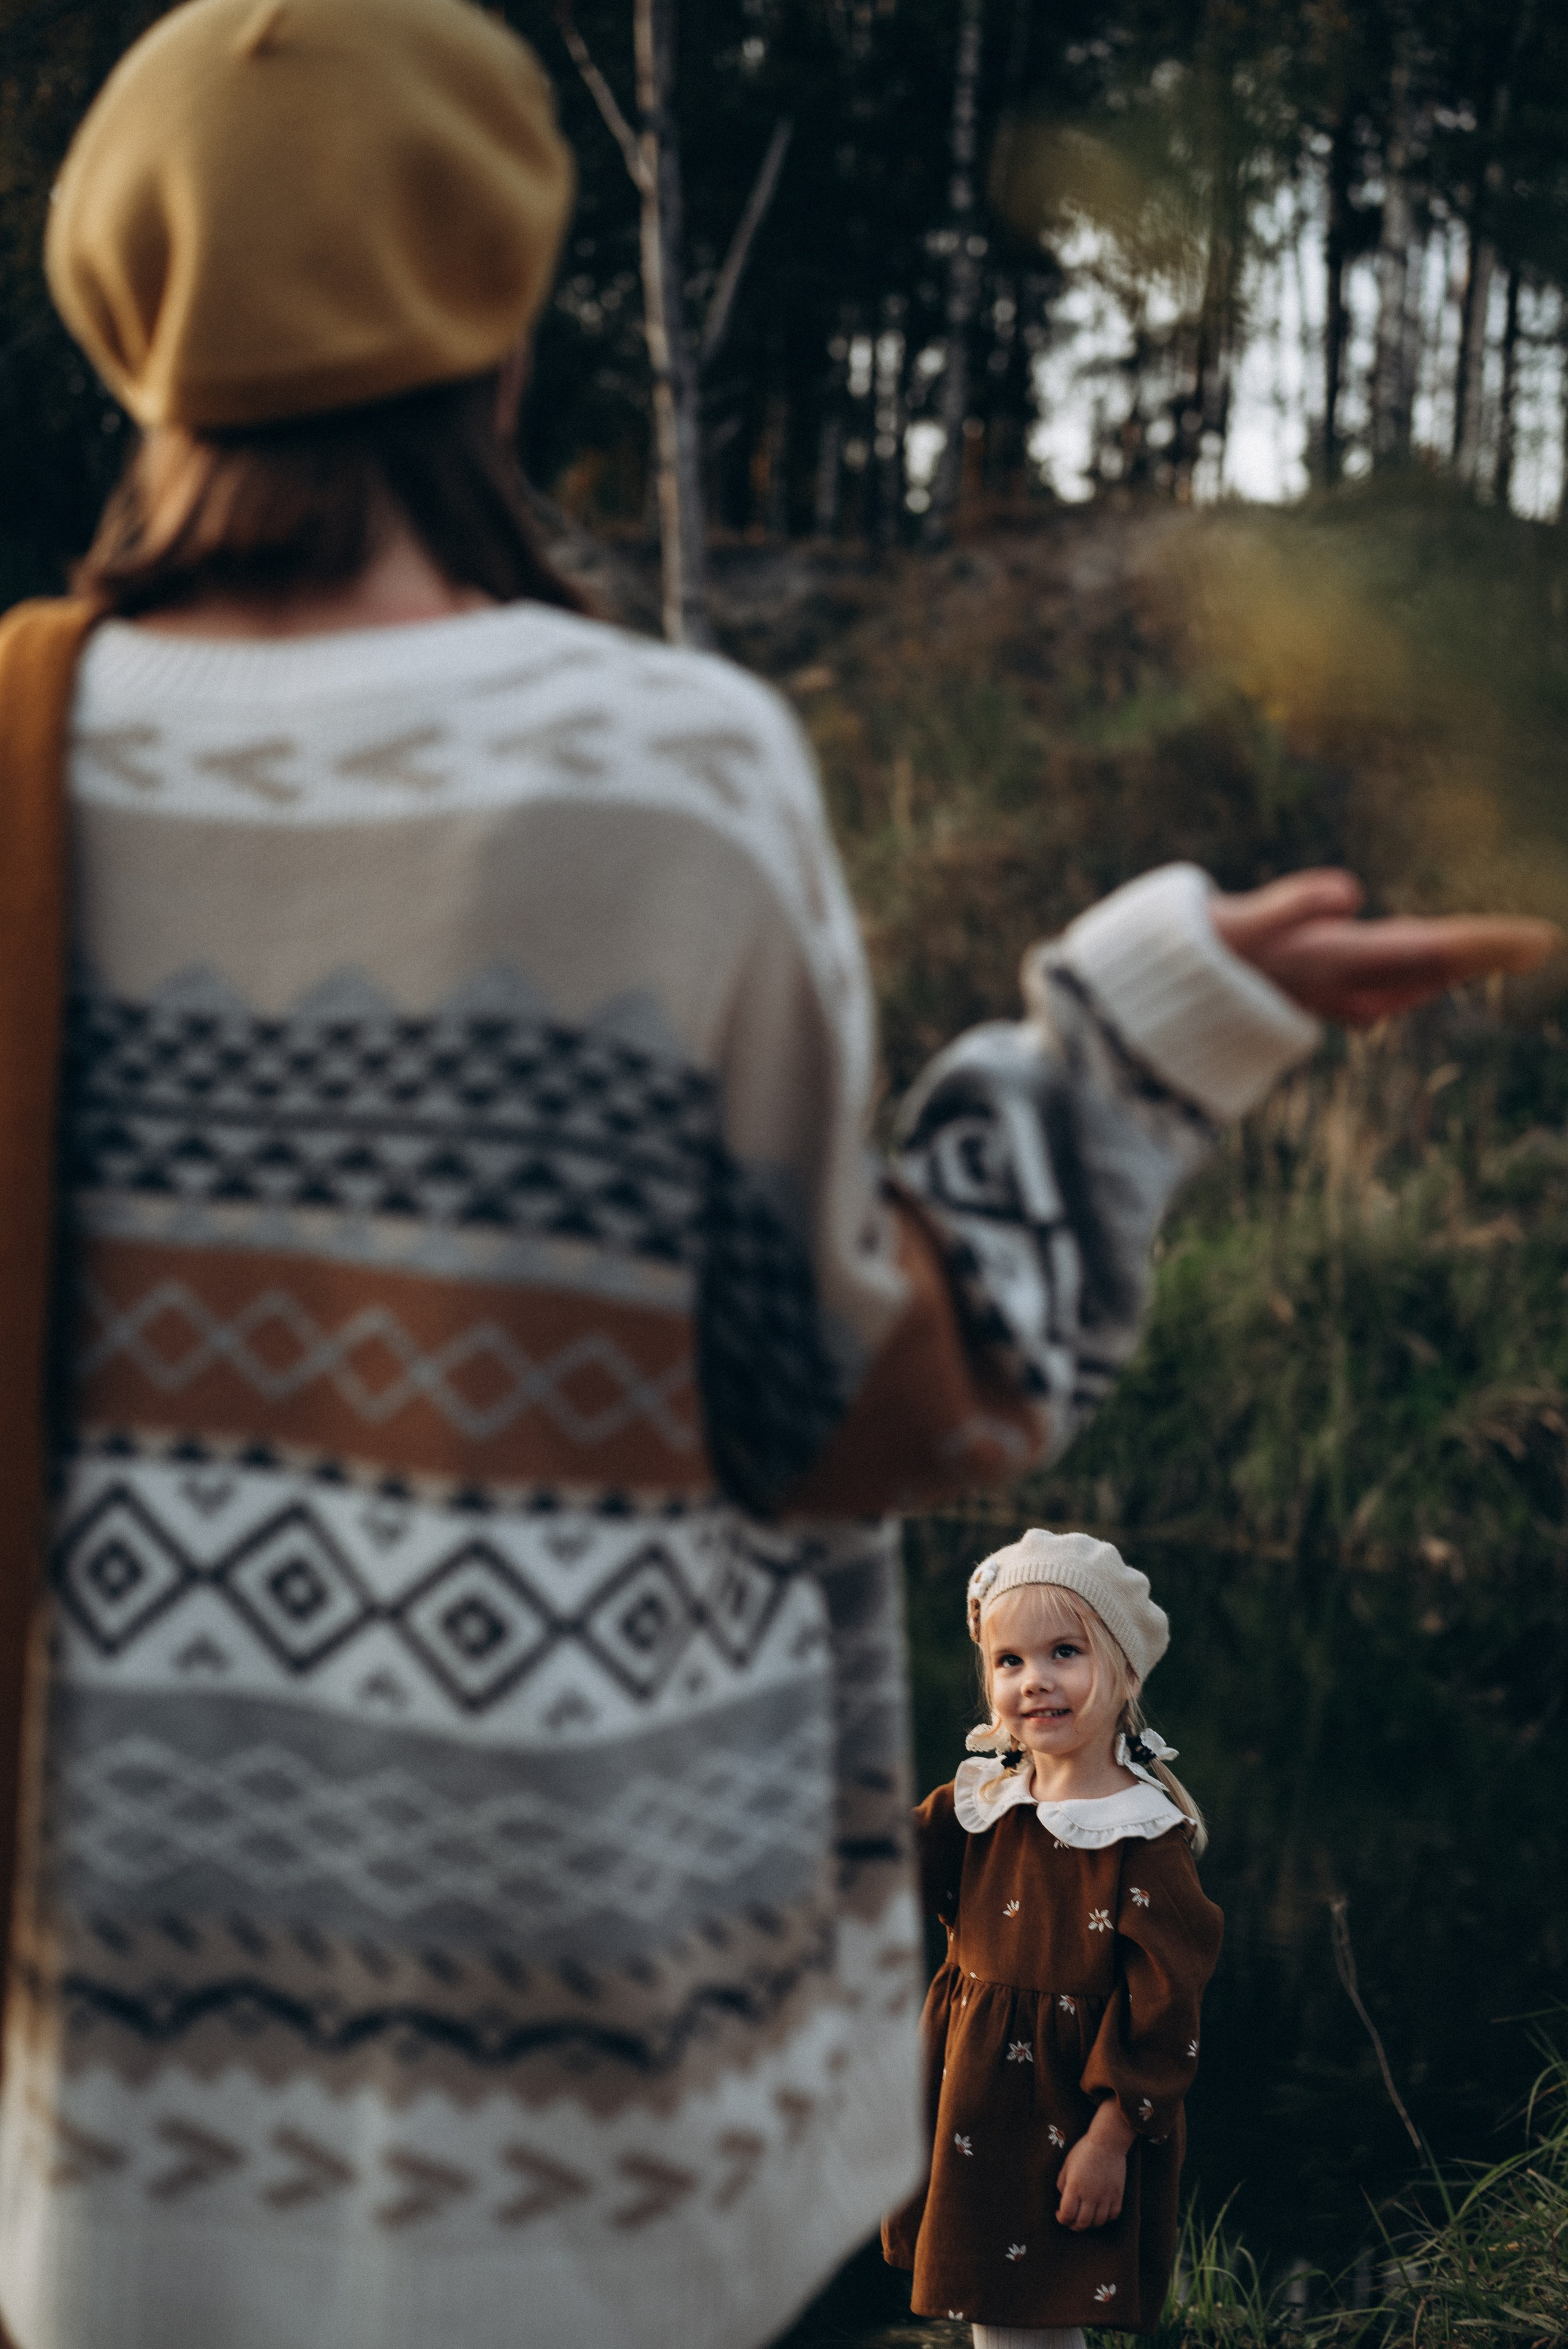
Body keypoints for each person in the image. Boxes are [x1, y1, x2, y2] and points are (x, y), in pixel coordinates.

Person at [0, 3, 1554, 2347]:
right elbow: (886, 1400)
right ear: (498, 331)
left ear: (130, 326)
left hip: (117, 2151)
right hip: (621, 2155)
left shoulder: (20, 763)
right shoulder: (659, 768)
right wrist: (1144, 1029)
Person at [883, 1529, 1221, 2348]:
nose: (1034, 1681)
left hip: (1072, 2121)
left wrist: (1111, 2139)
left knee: (1029, 2317)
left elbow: (1166, 2010)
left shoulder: (1145, 1839)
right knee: (997, 2310)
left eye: (1064, 1652)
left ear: (1124, 1671)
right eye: (1009, 1661)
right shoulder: (978, 1806)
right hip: (975, 2100)